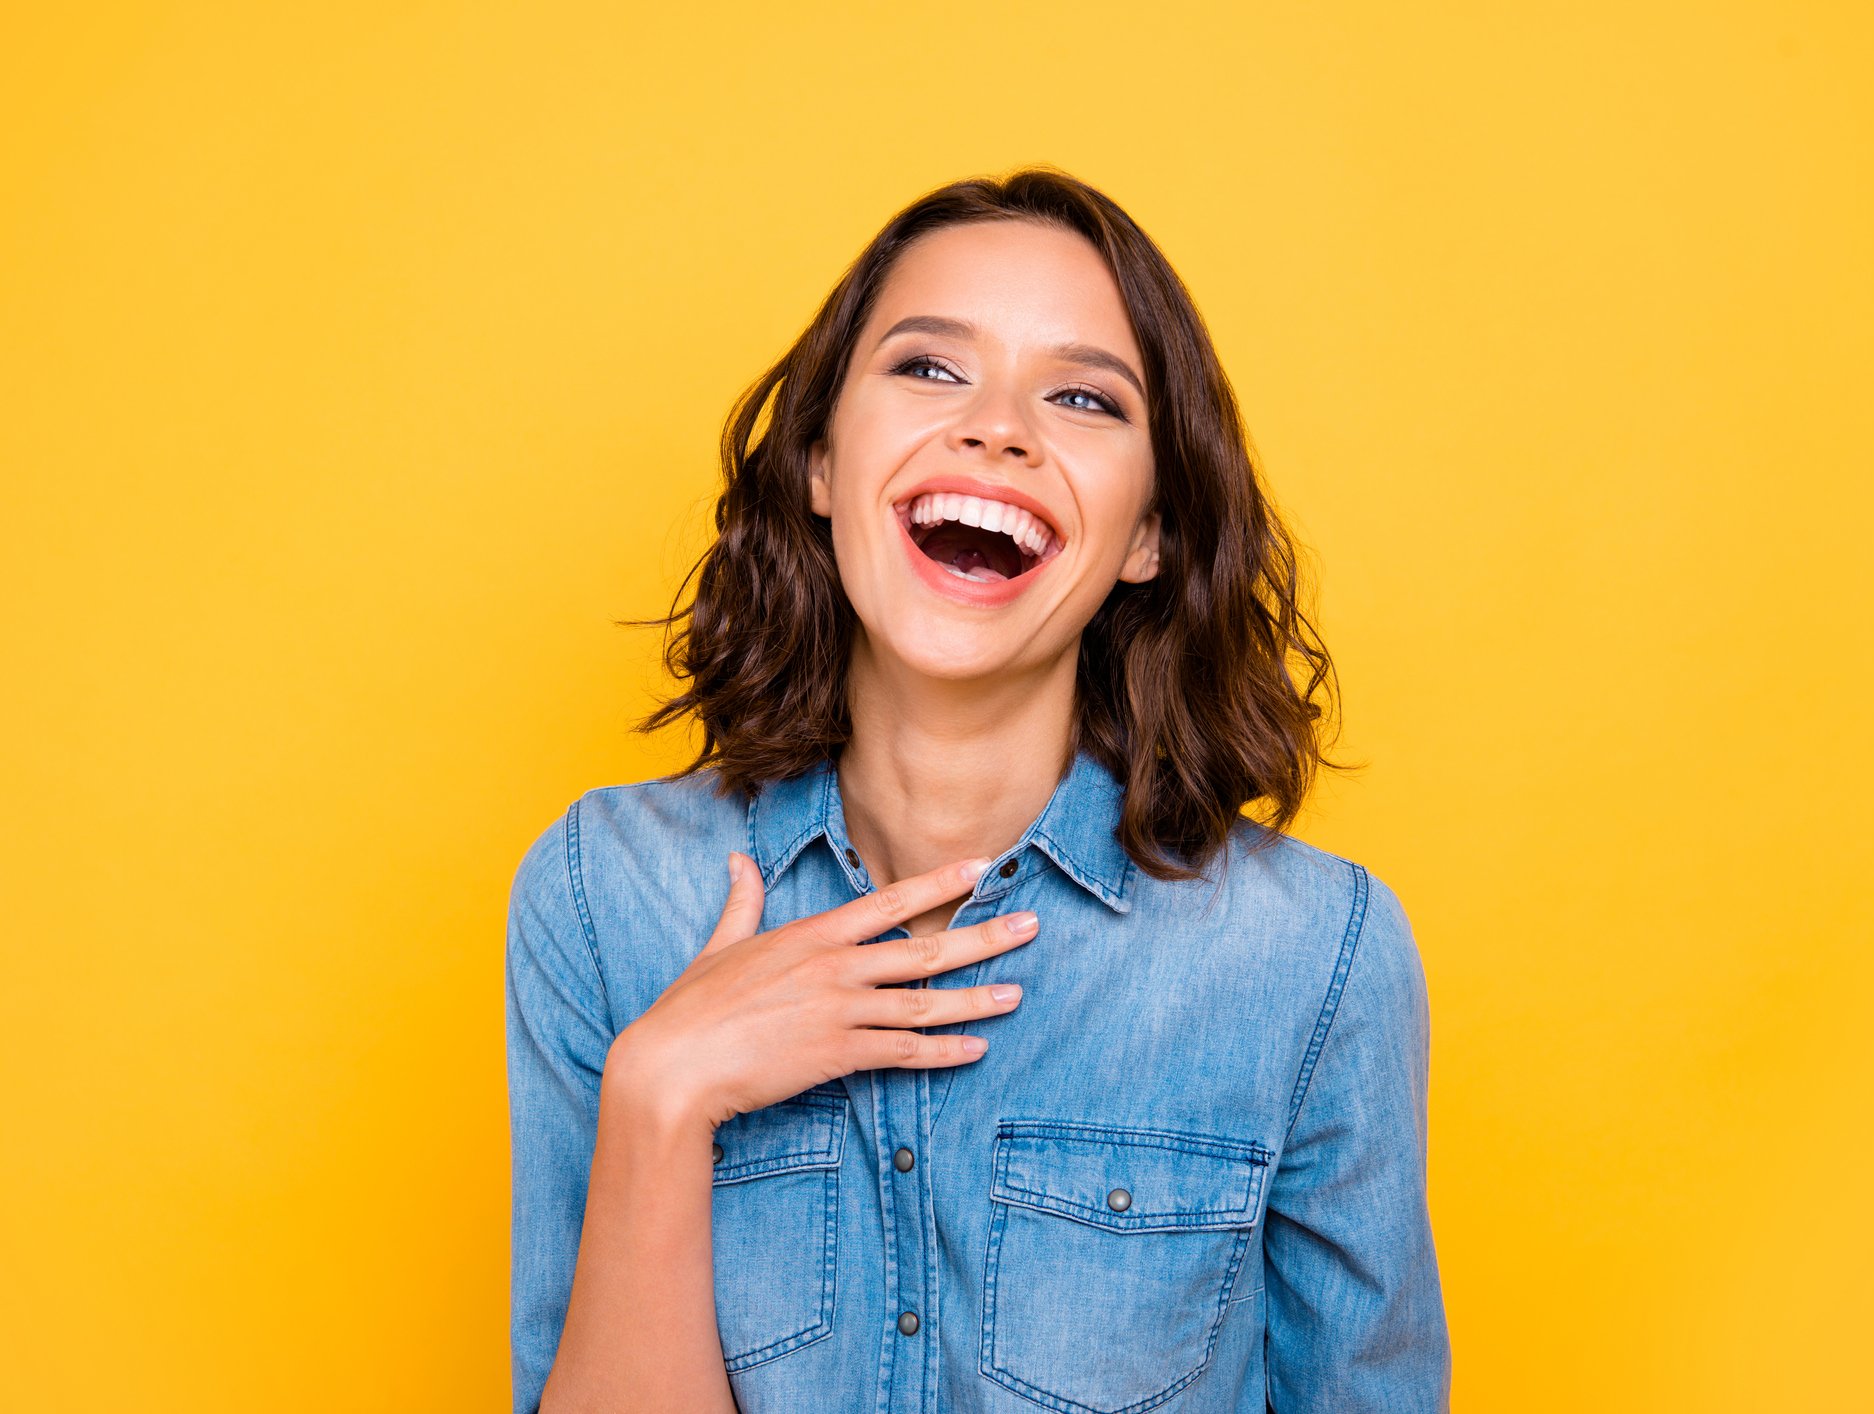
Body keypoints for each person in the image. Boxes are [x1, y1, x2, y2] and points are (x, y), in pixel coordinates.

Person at [505, 166, 1450, 1414]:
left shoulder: (1312, 957)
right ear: (822, 463)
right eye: (930, 369)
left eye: (1080, 396)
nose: (997, 426)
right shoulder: (600, 892)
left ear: (1150, 535)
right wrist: (662, 1095)